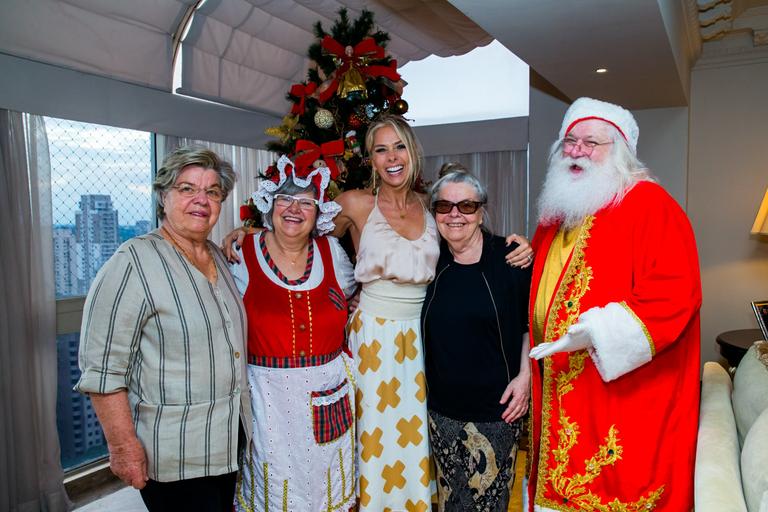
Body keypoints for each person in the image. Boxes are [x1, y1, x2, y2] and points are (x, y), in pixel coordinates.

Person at [223, 115, 533, 510]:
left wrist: (514, 243)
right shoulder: (355, 204)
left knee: (419, 441)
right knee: (374, 440)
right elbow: (299, 232)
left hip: (424, 341)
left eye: (399, 146)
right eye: (380, 149)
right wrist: (253, 234)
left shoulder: (432, 209)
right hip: (372, 341)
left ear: (413, 152)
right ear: (370, 159)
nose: (392, 157)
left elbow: (466, 235)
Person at [525, 97, 701, 511]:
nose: (577, 151)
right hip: (562, 388)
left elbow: (677, 292)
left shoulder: (650, 204)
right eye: (571, 141)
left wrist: (599, 332)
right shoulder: (559, 212)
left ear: (619, 151)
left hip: (620, 395)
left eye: (592, 142)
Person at [75, 146, 251, 511]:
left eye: (213, 192)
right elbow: (103, 370)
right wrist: (123, 448)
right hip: (175, 458)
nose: (201, 200)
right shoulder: (132, 262)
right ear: (164, 196)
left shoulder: (218, 256)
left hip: (226, 444)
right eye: (187, 189)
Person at [229, 156, 357, 511]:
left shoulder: (332, 253)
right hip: (268, 400)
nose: (295, 209)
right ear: (269, 206)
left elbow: (351, 297)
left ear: (319, 214)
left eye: (306, 202)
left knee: (326, 488)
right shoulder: (243, 254)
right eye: (285, 199)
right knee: (274, 488)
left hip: (328, 390)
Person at [421, 170, 531, 511]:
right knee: (452, 503)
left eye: (466, 205)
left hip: (495, 414)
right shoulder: (427, 261)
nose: (455, 214)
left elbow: (532, 325)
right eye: (444, 206)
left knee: (489, 506)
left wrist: (525, 378)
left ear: (481, 211)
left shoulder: (511, 257)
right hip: (441, 414)